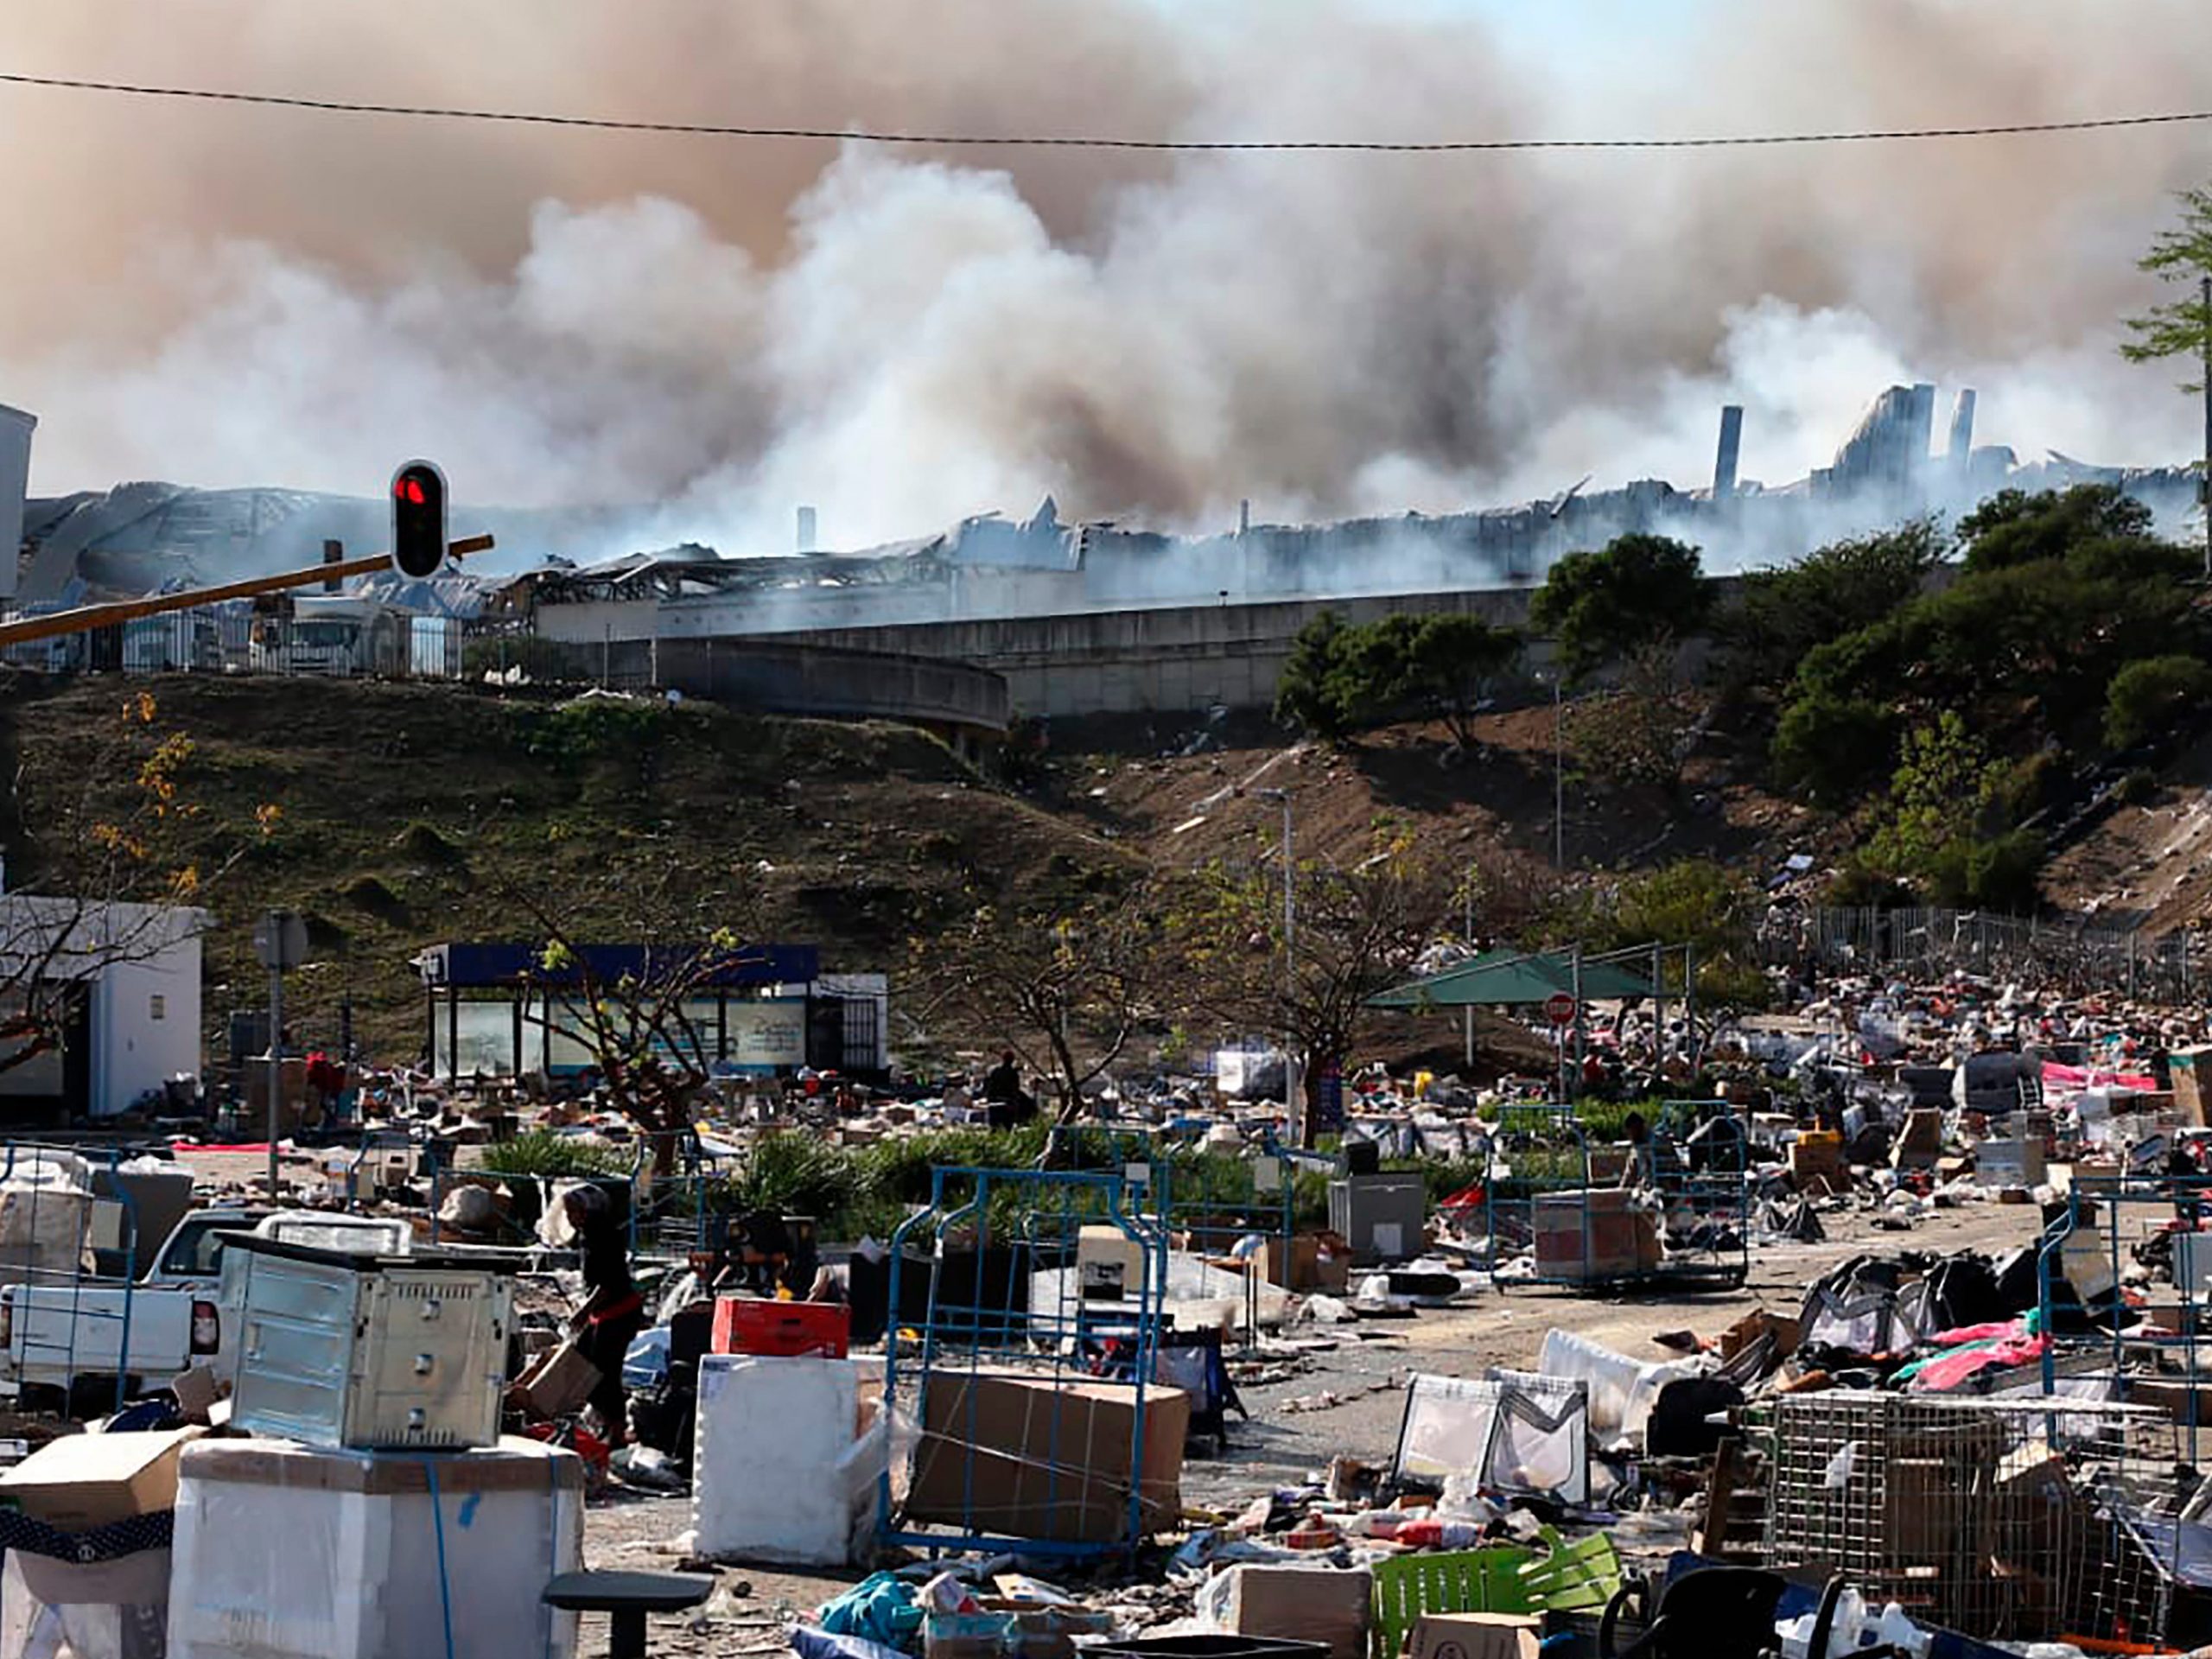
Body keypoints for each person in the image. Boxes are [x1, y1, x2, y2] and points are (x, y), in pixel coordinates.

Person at [563, 1185, 644, 1450]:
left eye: (573, 1211)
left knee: (604, 1374)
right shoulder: (589, 1234)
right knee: (585, 1366)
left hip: (619, 1312)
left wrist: (583, 1312)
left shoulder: (603, 1235)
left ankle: (616, 1430)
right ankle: (606, 1423)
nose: (569, 1218)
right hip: (605, 1312)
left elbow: (608, 1284)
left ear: (589, 1211)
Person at [983, 1050, 1038, 1128]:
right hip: (1007, 1102)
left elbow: (988, 1086)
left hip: (994, 1100)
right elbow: (1014, 1089)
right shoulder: (1012, 1074)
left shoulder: (995, 1071)